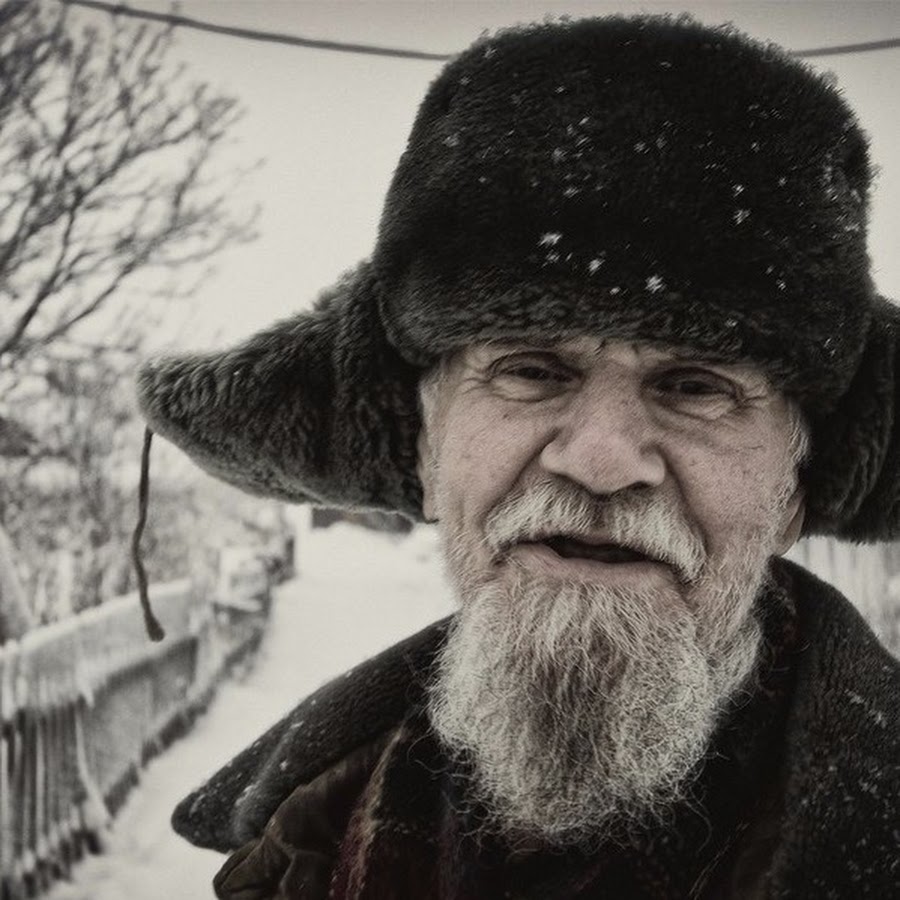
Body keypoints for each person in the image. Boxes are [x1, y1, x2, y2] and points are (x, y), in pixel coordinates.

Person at [137, 14, 900, 899]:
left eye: (696, 387)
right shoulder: (305, 845)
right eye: (531, 371)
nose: (603, 462)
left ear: (797, 488)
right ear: (423, 448)